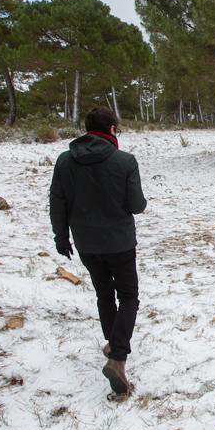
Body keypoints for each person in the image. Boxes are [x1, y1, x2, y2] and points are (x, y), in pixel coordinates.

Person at [49, 107, 147, 398]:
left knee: (104, 294)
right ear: (113, 129)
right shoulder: (125, 161)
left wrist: (61, 236)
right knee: (128, 296)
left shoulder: (65, 161)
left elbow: (57, 201)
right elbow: (137, 206)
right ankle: (118, 358)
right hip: (120, 243)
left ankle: (113, 345)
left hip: (86, 244)